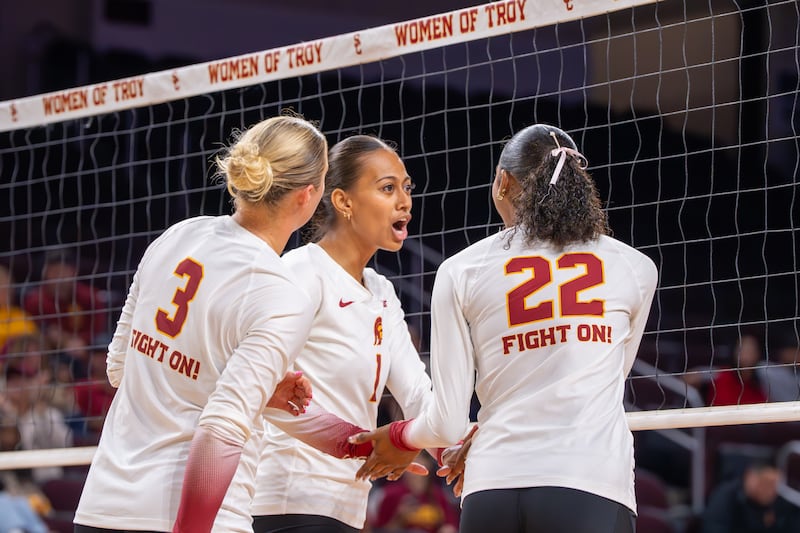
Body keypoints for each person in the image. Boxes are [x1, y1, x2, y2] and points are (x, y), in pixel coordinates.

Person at [352, 124, 659, 533]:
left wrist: (399, 436)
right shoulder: (635, 267)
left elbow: (447, 423)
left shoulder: (461, 270)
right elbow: (608, 377)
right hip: (588, 481)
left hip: (491, 486)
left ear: (502, 182)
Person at [73, 114, 332, 533]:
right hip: (194, 518)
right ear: (308, 195)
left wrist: (253, 389)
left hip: (102, 508)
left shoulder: (179, 235)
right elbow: (221, 429)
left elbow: (119, 368)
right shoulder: (281, 291)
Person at [218, 134, 439, 533]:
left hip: (347, 506)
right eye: (387, 188)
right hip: (286, 500)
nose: (404, 201)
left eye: (407, 188)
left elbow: (417, 393)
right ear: (343, 201)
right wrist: (377, 443)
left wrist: (454, 445)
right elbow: (255, 385)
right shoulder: (301, 273)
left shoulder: (381, 291)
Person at [22, 251, 107, 348]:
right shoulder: (35, 301)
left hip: (86, 348)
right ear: (45, 274)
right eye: (55, 272)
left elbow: (97, 330)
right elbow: (32, 332)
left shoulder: (89, 296)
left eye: (64, 271)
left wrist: (78, 341)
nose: (60, 277)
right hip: (49, 349)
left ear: (74, 272)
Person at [701, 460, 800, 533]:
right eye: (766, 483)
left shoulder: (782, 501)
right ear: (750, 476)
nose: (771, 491)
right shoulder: (726, 496)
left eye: (775, 485)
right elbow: (713, 528)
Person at [707, 333, 767, 407]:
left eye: (751, 350)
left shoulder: (763, 380)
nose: (747, 355)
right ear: (734, 352)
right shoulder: (723, 378)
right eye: (743, 350)